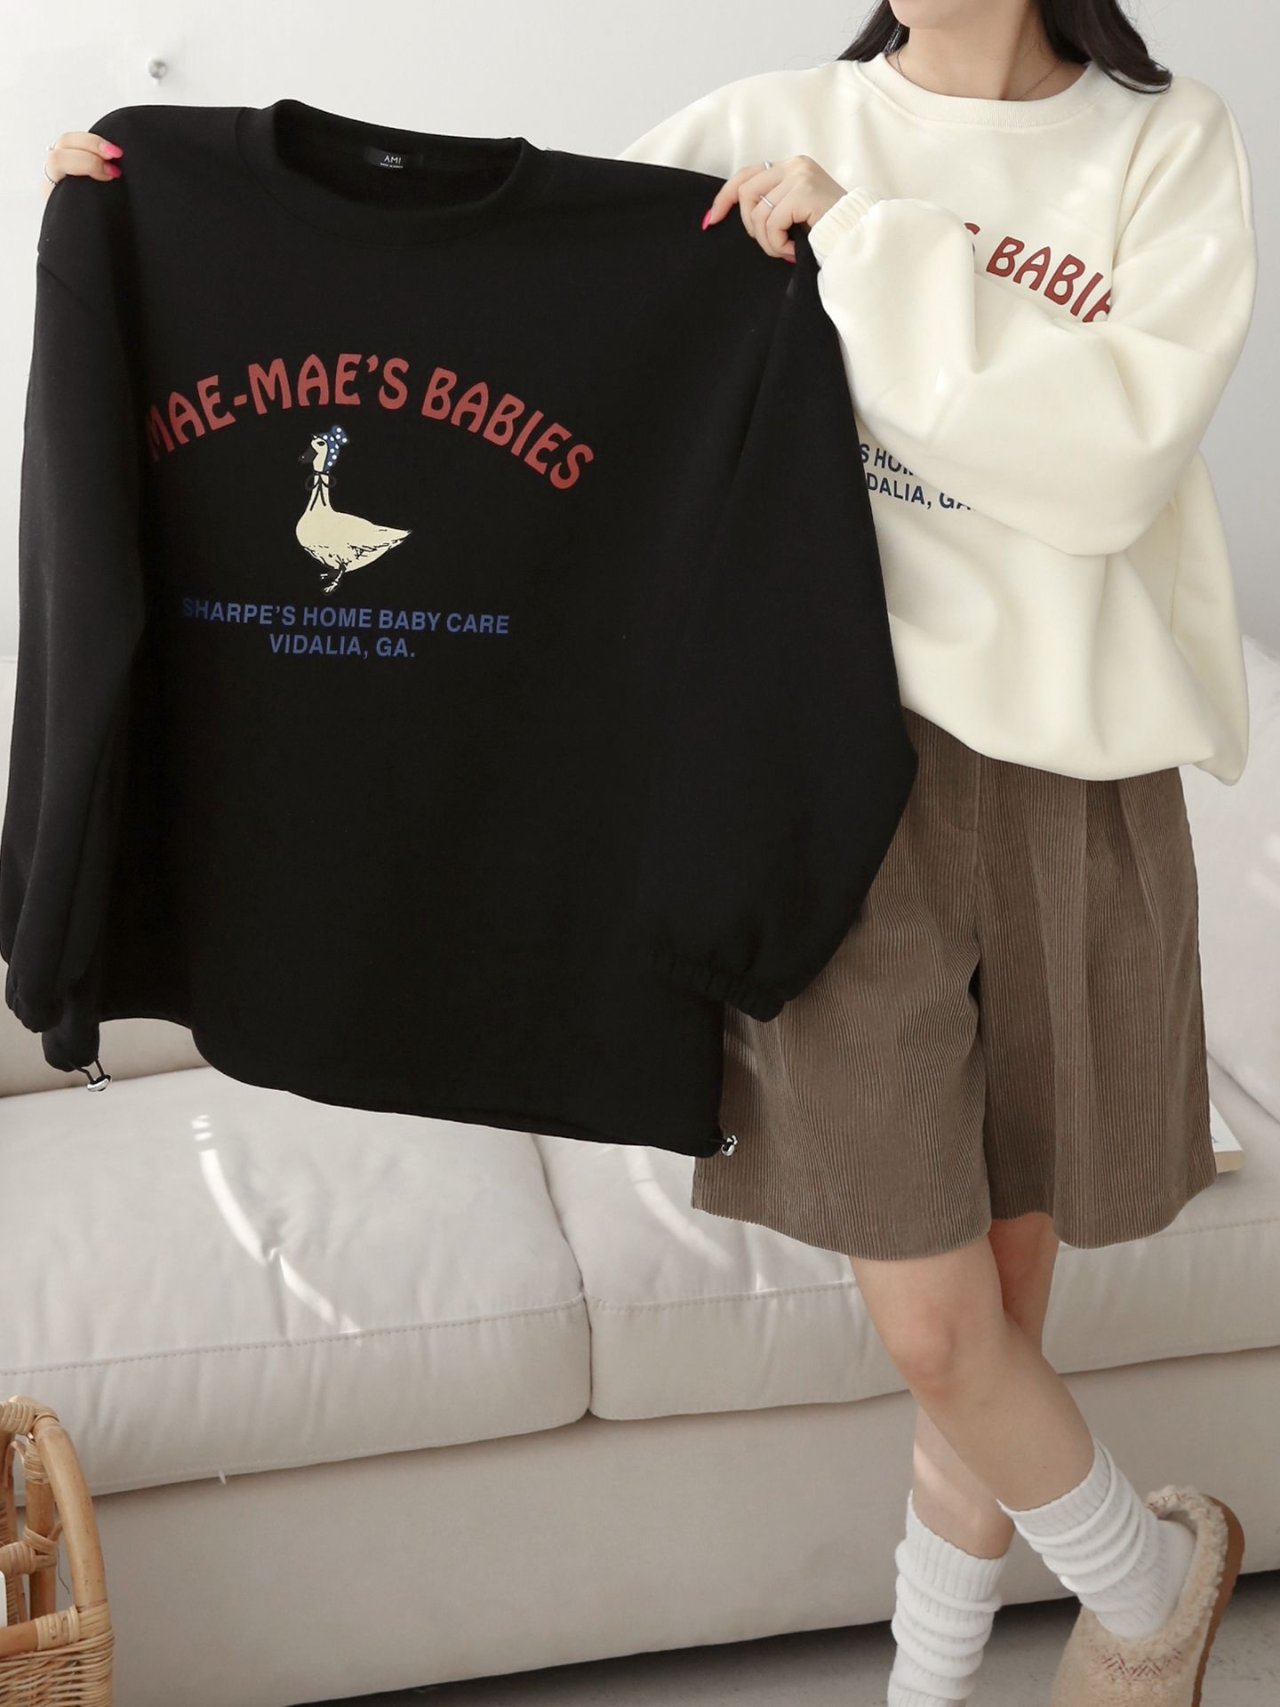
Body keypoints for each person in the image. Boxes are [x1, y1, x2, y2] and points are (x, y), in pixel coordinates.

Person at [38, 2, 1257, 1701]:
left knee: (994, 1326)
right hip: (823, 776)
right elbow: (496, 286)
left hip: (1075, 778)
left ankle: (927, 1691)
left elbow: (1109, 460)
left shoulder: (1163, 142)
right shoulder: (768, 120)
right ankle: (1154, 1584)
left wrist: (865, 243)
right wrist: (164, 208)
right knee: (933, 1325)